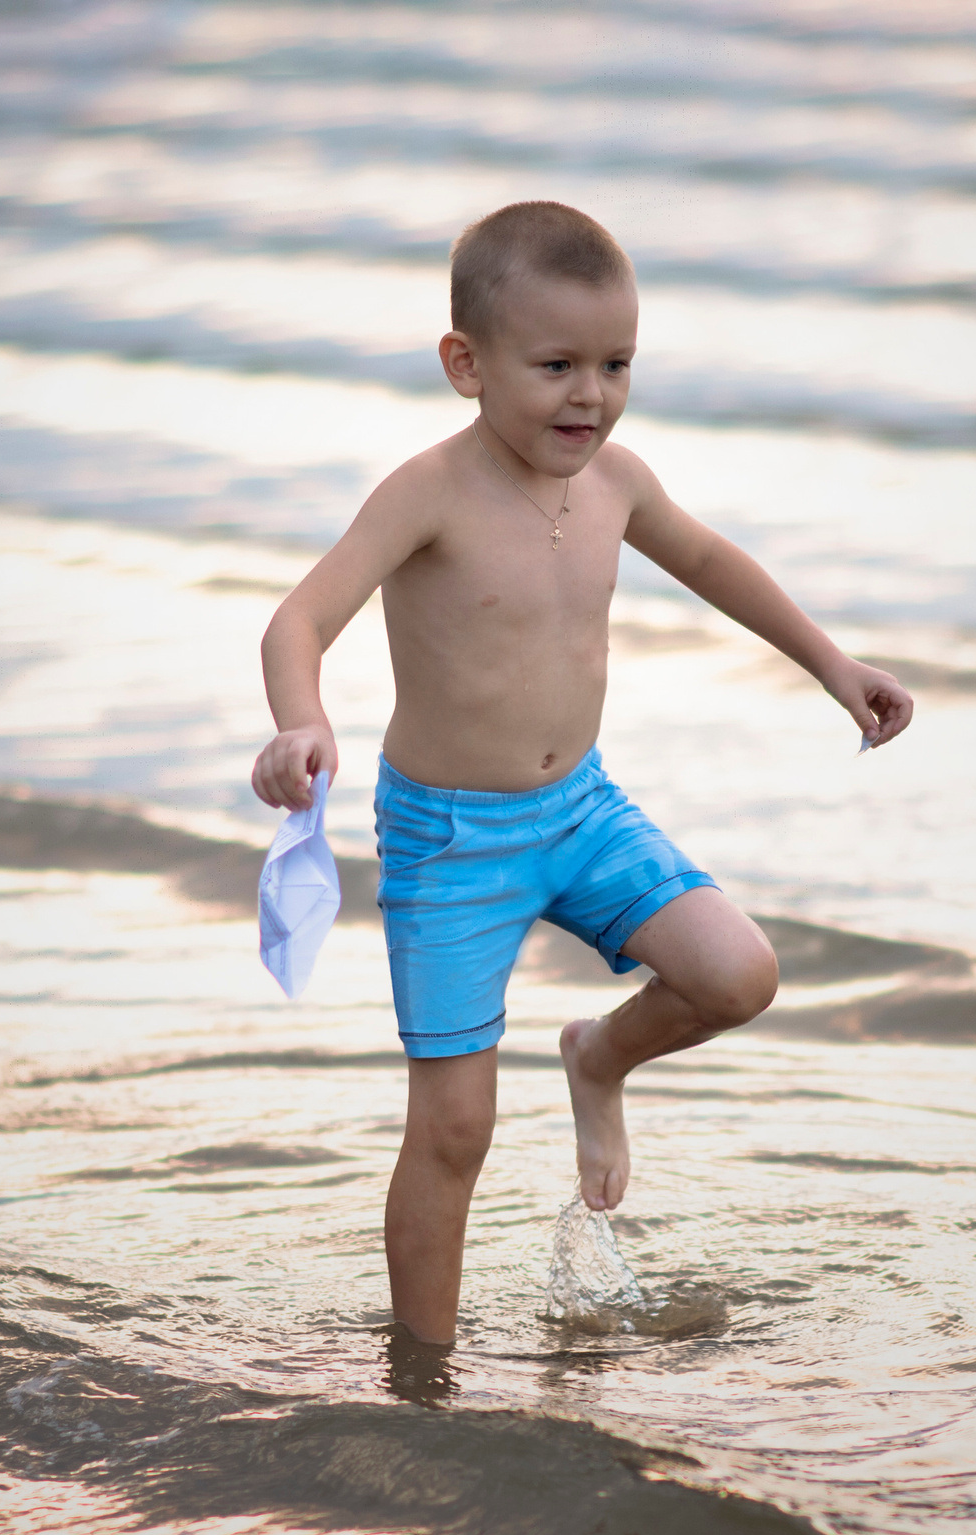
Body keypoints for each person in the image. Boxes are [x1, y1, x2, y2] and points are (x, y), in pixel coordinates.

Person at [250, 201, 912, 1345]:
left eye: (615, 365)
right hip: (450, 840)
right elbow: (299, 619)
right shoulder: (430, 493)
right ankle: (427, 1372)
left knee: (736, 974)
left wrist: (832, 665)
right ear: (466, 364)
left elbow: (710, 561)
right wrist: (299, 725)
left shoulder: (615, 483)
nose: (589, 397)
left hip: (581, 810)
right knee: (454, 1128)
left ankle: (596, 1059)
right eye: (555, 366)